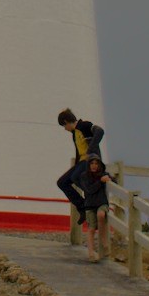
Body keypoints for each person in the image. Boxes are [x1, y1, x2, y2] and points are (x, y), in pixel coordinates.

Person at [57, 108, 108, 254]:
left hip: (90, 162)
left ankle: (89, 202)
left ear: (67, 122)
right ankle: (83, 207)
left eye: (63, 125)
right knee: (62, 182)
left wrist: (92, 148)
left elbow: (100, 131)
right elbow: (79, 153)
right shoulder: (74, 134)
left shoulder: (85, 125)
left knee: (74, 178)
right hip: (81, 163)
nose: (65, 129)